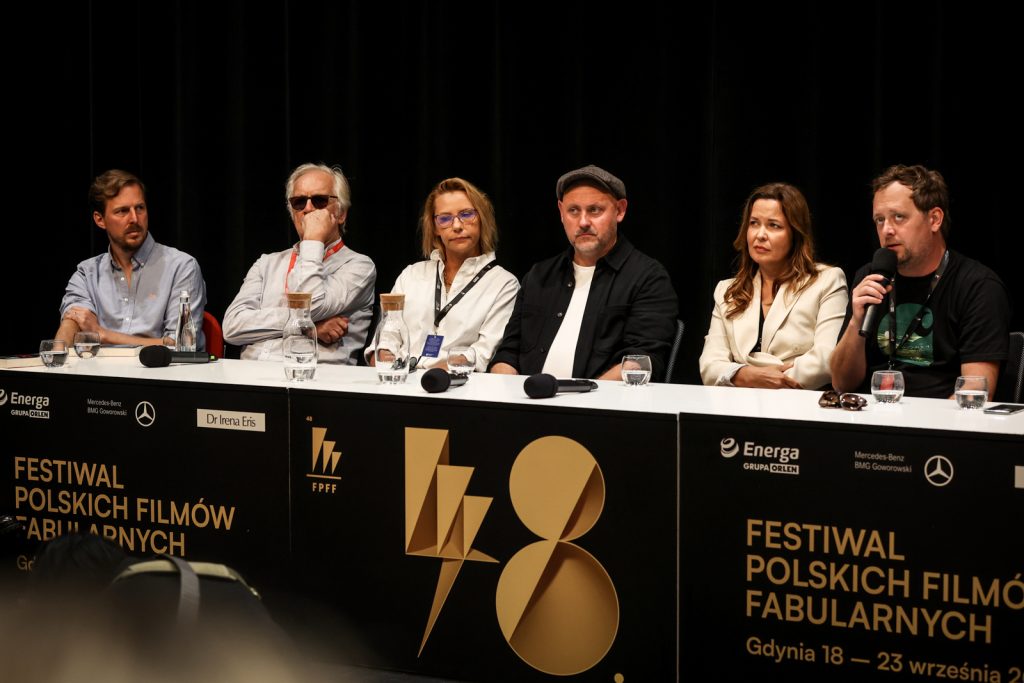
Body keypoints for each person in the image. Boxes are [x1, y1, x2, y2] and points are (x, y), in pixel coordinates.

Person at [830, 164, 1010, 398]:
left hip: (938, 415)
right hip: (872, 412)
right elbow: (842, 384)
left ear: (934, 219)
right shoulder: (870, 277)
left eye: (899, 217)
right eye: (880, 220)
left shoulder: (978, 286)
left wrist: (927, 421)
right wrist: (856, 322)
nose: (887, 230)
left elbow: (975, 392)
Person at [489, 165, 677, 380]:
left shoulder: (648, 278)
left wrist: (588, 397)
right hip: (528, 397)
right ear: (561, 212)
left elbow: (642, 360)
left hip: (603, 400)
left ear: (620, 210)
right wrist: (508, 391)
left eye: (595, 210)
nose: (583, 222)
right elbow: (508, 352)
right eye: (573, 211)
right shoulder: (539, 275)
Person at [699, 183, 848, 389]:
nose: (760, 235)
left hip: (798, 402)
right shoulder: (726, 291)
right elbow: (709, 366)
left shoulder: (827, 281)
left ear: (795, 233)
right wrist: (750, 376)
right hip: (737, 403)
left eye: (773, 225)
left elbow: (826, 360)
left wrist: (766, 380)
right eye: (754, 223)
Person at [223, 163, 375, 364]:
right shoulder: (266, 263)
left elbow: (311, 307)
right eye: (299, 202)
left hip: (316, 378)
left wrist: (313, 242)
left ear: (341, 214)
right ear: (292, 213)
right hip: (251, 375)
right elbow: (232, 327)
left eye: (319, 201)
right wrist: (309, 328)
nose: (308, 209)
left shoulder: (359, 266)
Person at [364, 178, 519, 371]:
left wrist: (439, 371)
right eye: (445, 218)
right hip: (399, 380)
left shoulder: (503, 284)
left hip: (456, 384)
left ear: (482, 218)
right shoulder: (411, 275)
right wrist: (384, 355)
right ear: (435, 227)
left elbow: (483, 352)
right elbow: (387, 334)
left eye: (466, 214)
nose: (457, 226)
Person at [56, 170, 207, 349]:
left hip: (159, 367)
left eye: (140, 208)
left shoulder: (181, 267)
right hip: (101, 368)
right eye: (122, 211)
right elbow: (71, 322)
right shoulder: (87, 274)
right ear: (100, 220)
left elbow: (181, 347)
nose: (134, 219)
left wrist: (103, 335)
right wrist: (58, 355)